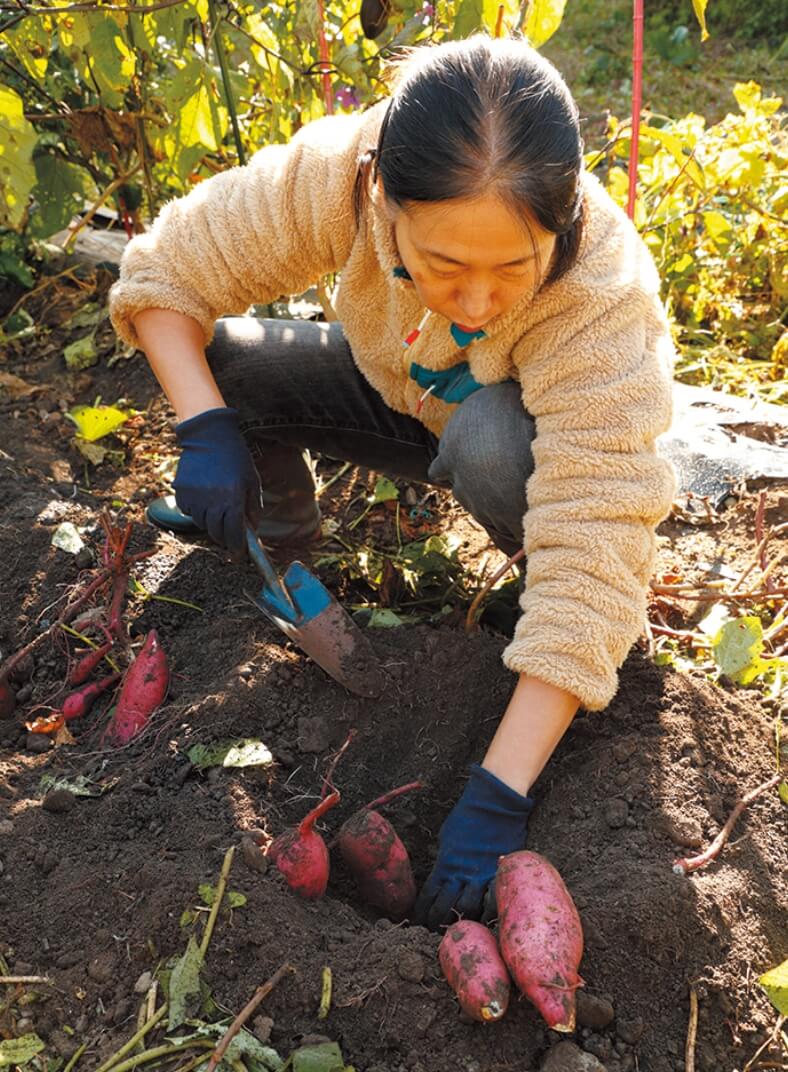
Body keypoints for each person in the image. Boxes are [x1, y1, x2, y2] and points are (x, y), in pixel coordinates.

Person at [108, 33, 677, 930]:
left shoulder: (595, 294)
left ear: (559, 232)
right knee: (226, 365)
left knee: (493, 444)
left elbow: (601, 527)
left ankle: (531, 606)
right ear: (383, 193)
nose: (478, 301)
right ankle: (271, 548)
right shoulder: (339, 173)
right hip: (391, 391)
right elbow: (163, 269)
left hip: (509, 437)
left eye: (511, 271)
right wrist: (205, 427)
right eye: (445, 266)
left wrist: (498, 791)